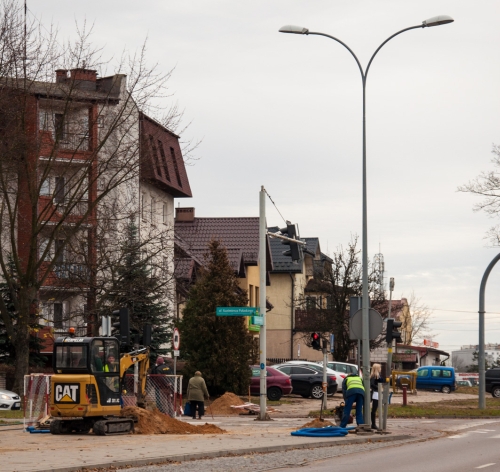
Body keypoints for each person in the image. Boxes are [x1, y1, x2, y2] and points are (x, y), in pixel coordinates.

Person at [370, 363, 383, 430]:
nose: (381, 369)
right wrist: (378, 387)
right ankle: (373, 424)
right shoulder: (374, 376)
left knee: (375, 408)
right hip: (375, 393)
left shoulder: (377, 376)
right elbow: (371, 384)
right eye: (380, 368)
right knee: (374, 409)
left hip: (377, 393)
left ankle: (373, 423)